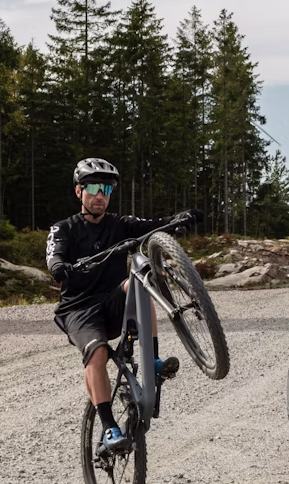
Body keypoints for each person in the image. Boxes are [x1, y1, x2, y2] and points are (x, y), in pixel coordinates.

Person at [46, 158, 203, 451]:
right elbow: (54, 254)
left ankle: (153, 362)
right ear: (79, 192)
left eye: (105, 188)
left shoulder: (120, 224)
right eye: (92, 188)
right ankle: (108, 428)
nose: (100, 195)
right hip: (79, 309)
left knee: (142, 283)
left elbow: (156, 225)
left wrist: (181, 218)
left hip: (114, 300)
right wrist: (59, 267)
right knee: (98, 353)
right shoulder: (64, 228)